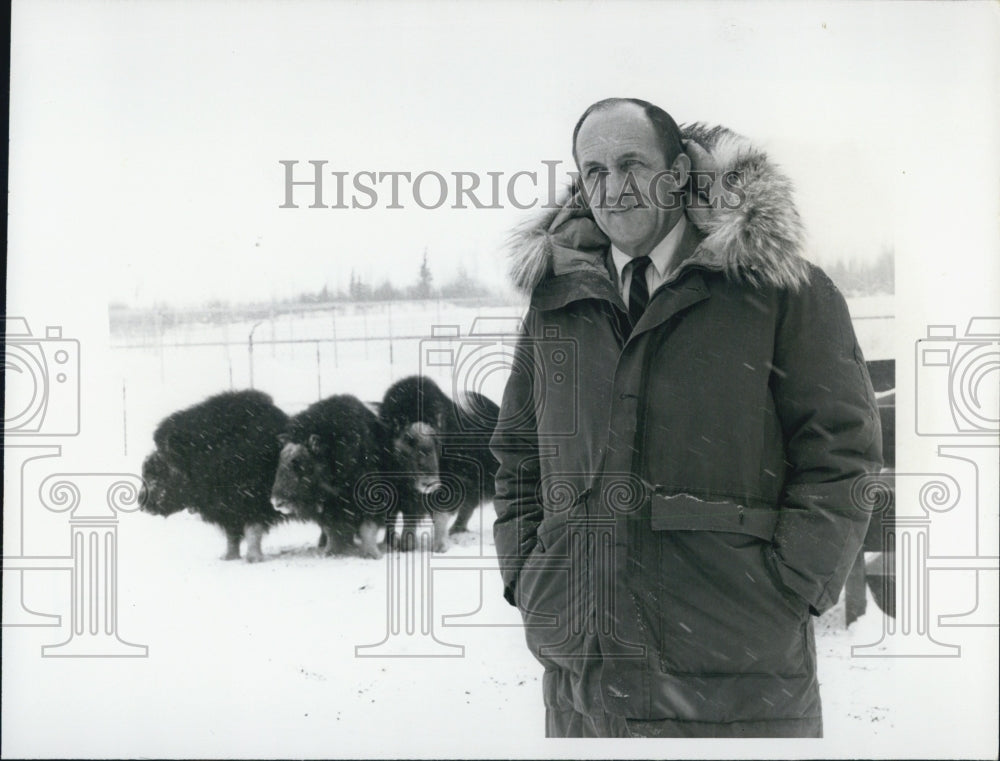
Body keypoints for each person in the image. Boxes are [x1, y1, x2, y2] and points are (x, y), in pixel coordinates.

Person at [490, 97, 882, 738]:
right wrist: (533, 578)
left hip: (738, 668)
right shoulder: (557, 303)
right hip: (585, 672)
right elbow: (519, 454)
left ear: (677, 172)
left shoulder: (778, 290)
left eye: (631, 164)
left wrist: (793, 587)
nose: (613, 189)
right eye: (593, 172)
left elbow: (842, 453)